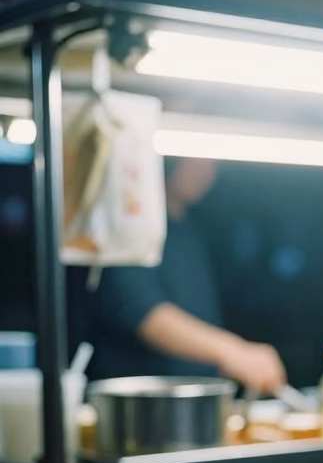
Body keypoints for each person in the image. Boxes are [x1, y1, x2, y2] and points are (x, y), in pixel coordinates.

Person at [73, 157, 287, 393]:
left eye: (213, 164)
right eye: (199, 162)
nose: (209, 172)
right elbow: (141, 311)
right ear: (167, 161)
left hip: (196, 399)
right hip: (142, 403)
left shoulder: (189, 227)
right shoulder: (131, 226)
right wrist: (232, 351)